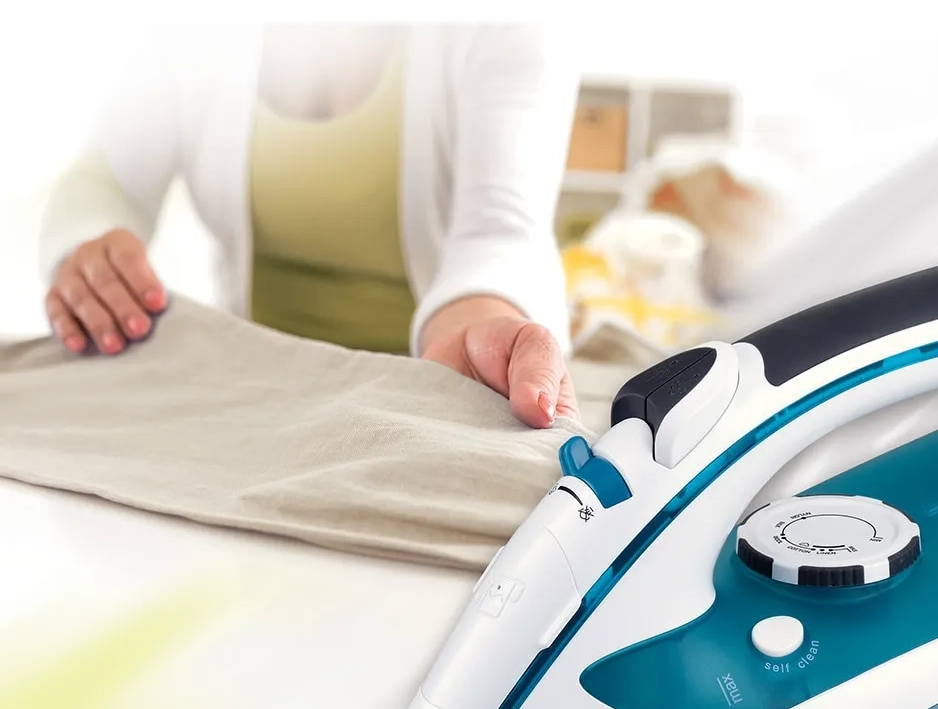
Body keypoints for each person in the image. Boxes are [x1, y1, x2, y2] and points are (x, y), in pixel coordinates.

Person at [38, 24, 580, 428]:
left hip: (423, 400)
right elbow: (105, 176)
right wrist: (90, 251)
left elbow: (499, 229)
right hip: (249, 402)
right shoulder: (191, 27)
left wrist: (478, 331)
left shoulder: (506, 24)